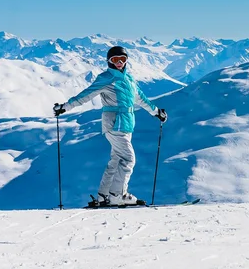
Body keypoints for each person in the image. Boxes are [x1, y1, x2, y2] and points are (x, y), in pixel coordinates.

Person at [53, 46, 167, 207]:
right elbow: (86, 95)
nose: (119, 63)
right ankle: (118, 195)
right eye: (115, 60)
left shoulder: (129, 79)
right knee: (128, 158)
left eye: (123, 59)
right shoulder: (106, 78)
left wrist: (156, 112)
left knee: (117, 159)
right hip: (114, 123)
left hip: (126, 123)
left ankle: (104, 195)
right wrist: (65, 106)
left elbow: (141, 99)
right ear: (109, 61)